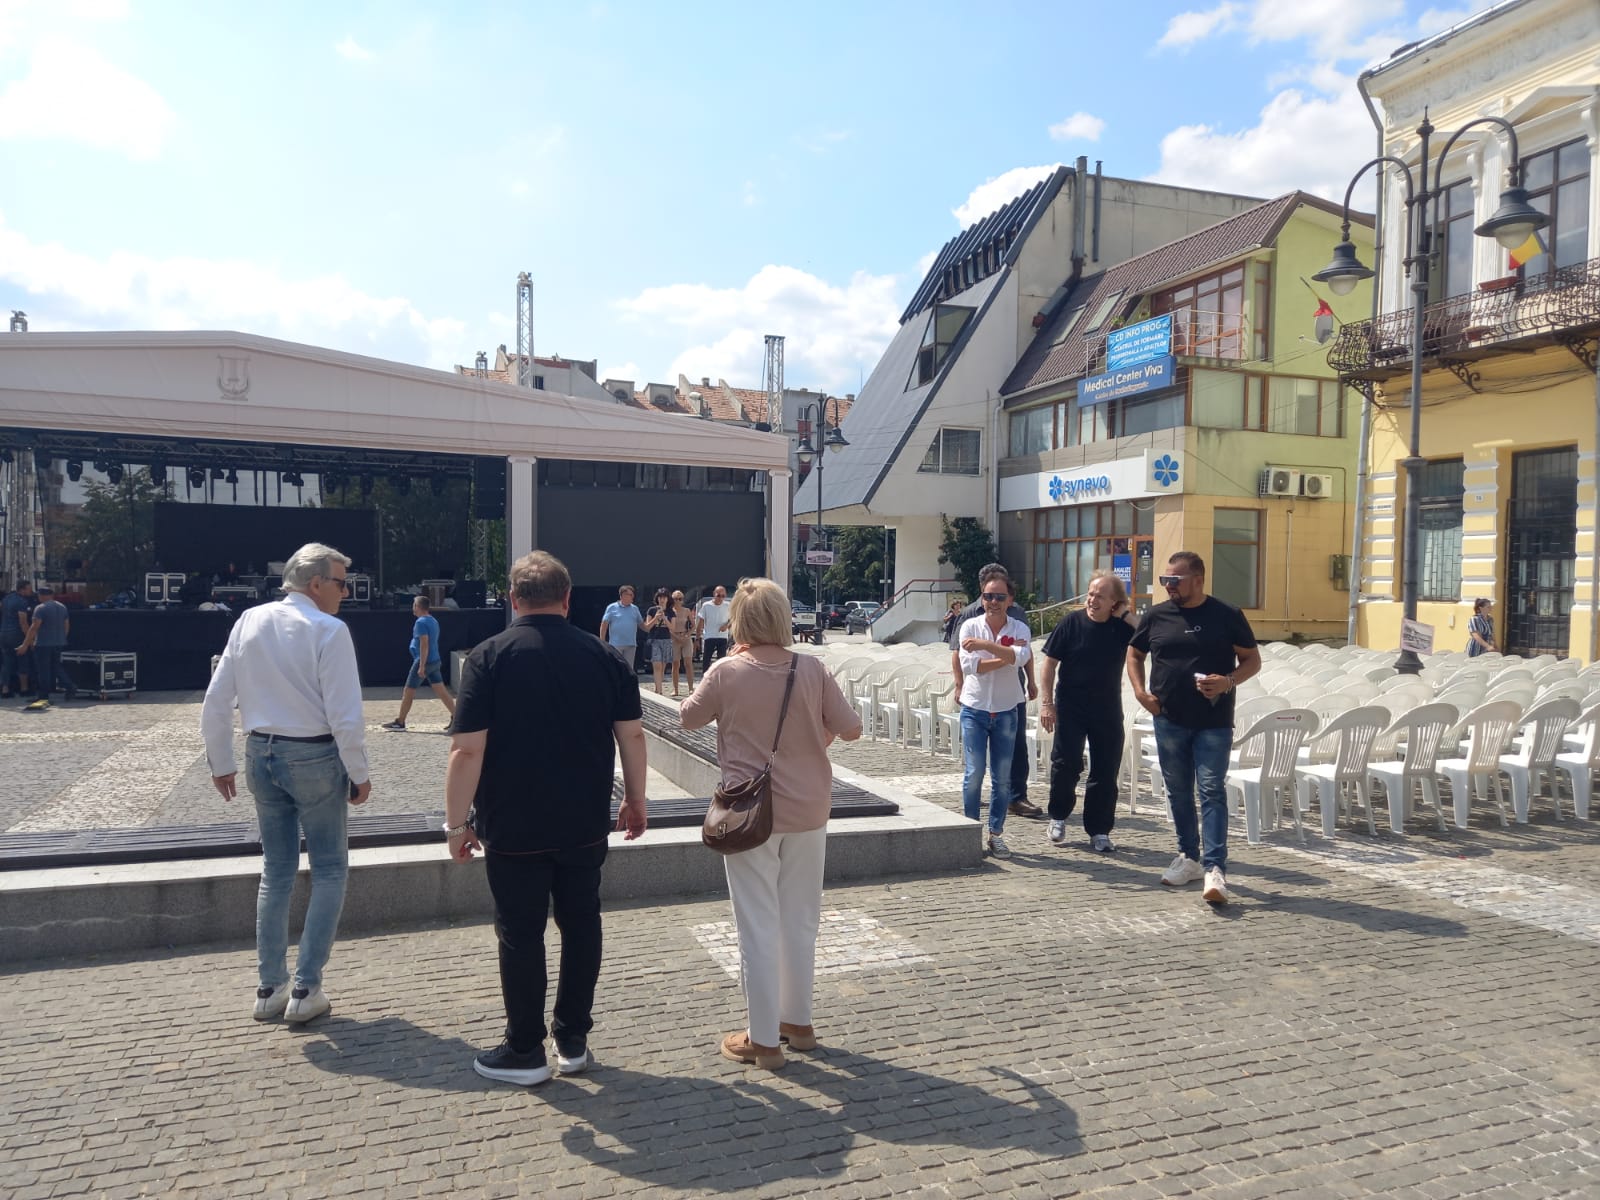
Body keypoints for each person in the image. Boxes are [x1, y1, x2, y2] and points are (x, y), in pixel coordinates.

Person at [445, 551, 649, 1086]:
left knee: (520, 933)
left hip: (512, 825)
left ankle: (524, 1050)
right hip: (584, 821)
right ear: (567, 598)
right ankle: (573, 1040)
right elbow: (631, 735)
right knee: (582, 924)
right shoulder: (606, 658)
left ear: (513, 599)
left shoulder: (487, 658)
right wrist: (636, 799)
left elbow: (466, 750)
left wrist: (456, 824)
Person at [679, 577, 861, 1071]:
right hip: (809, 809)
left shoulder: (726, 671)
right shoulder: (811, 668)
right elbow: (851, 728)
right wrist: (814, 739)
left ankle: (763, 1041)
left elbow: (687, 718)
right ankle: (798, 1024)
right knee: (801, 920)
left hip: (749, 814)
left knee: (757, 924)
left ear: (738, 621)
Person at [201, 543, 371, 1023]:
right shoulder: (329, 630)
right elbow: (345, 716)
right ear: (316, 584)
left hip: (261, 751)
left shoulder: (249, 620)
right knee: (330, 868)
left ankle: (269, 986)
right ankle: (306, 988)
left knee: (276, 870)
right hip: (314, 754)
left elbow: (217, 698)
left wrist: (221, 761)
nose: (345, 592)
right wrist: (359, 773)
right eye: (341, 583)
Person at [1127, 551, 1260, 906]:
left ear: (1198, 580)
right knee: (1178, 790)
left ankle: (1215, 868)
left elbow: (1252, 660)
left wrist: (1228, 681)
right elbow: (1134, 654)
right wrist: (1140, 692)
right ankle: (1188, 857)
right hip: (1168, 717)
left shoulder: (1227, 614)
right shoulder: (1156, 615)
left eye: (1175, 580)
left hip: (1213, 721)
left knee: (1212, 790)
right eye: (1164, 580)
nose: (1168, 586)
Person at [1039, 571, 1135, 851]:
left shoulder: (1121, 627)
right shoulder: (1071, 623)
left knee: (1106, 769)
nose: (1092, 600)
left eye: (1100, 596)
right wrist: (1047, 703)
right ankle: (1058, 816)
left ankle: (1099, 830)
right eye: (1090, 594)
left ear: (1114, 602)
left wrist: (1126, 614)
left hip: (1107, 707)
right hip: (1071, 705)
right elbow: (1049, 665)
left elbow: (1151, 636)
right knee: (1066, 764)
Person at [949, 564, 1042, 820]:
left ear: (1010, 599)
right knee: (974, 772)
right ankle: (970, 827)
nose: (993, 601)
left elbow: (1023, 657)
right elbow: (970, 665)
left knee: (1004, 773)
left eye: (1000, 597)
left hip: (1008, 704)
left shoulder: (1018, 623)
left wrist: (986, 646)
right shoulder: (969, 621)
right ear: (981, 595)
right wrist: (1008, 656)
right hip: (975, 705)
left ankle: (999, 825)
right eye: (988, 596)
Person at [382, 595, 457, 730]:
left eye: (414, 605)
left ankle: (400, 722)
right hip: (435, 660)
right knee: (441, 691)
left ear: (417, 606)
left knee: (408, 691)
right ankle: (457, 717)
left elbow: (424, 643)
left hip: (424, 661)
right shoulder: (433, 620)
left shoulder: (420, 623)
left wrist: (421, 666)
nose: (413, 608)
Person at [23, 586, 75, 709]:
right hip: (59, 642)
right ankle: (70, 686)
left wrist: (26, 643)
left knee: (43, 670)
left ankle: (43, 696)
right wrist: (62, 638)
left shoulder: (40, 608)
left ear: (41, 596)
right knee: (56, 667)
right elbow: (66, 625)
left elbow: (34, 627)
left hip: (43, 643)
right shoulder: (62, 607)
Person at [1, 579, 35, 699]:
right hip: (16, 634)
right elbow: (23, 622)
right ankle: (24, 688)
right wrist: (29, 639)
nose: (31, 591)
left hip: (3, 633)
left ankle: (5, 689)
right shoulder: (21, 602)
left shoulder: (6, 599)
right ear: (22, 590)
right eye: (29, 589)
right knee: (22, 659)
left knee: (7, 662)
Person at [599, 585, 643, 672]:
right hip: (616, 645)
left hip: (631, 645)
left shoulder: (635, 609)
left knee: (629, 670)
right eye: (630, 595)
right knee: (616, 668)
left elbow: (643, 625)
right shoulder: (611, 607)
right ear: (622, 595)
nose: (632, 597)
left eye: (632, 595)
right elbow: (604, 625)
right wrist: (602, 642)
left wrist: (655, 619)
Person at [643, 588, 676, 695]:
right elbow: (647, 627)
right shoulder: (651, 610)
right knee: (657, 665)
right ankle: (660, 691)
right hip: (655, 640)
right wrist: (656, 618)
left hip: (666, 640)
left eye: (664, 597)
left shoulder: (671, 612)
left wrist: (665, 619)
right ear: (657, 598)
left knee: (662, 667)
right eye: (660, 597)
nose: (662, 599)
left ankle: (658, 687)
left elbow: (673, 628)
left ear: (668, 599)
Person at [697, 584, 732, 671]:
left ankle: (720, 677)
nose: (720, 598)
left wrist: (726, 625)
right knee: (706, 660)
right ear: (714, 594)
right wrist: (697, 638)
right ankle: (706, 676)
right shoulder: (706, 605)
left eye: (723, 596)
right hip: (709, 636)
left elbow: (733, 619)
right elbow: (700, 622)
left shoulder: (728, 605)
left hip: (722, 637)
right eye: (718, 595)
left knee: (721, 661)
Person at [668, 589, 695, 696]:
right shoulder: (669, 611)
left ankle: (691, 688)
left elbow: (693, 625)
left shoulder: (686, 611)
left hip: (685, 637)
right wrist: (676, 636)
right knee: (675, 664)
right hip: (674, 638)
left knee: (688, 663)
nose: (678, 601)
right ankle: (675, 689)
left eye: (680, 599)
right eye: (675, 599)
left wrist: (687, 634)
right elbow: (668, 627)